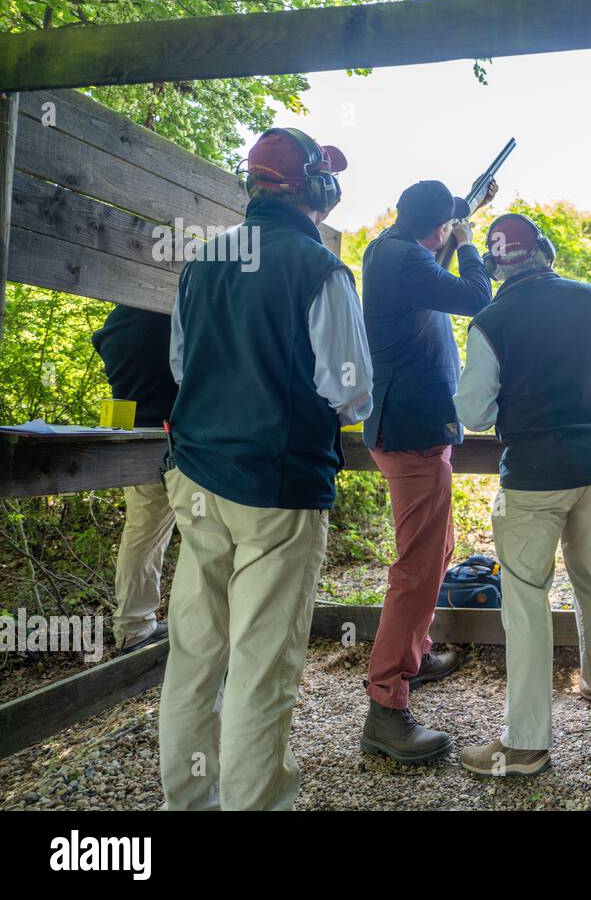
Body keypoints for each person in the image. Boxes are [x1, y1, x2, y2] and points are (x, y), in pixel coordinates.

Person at [159, 127, 372, 810]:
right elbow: (351, 391)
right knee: (260, 664)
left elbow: (183, 370)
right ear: (317, 189)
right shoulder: (320, 269)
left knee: (195, 654)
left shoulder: (202, 262)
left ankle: (186, 803)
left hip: (194, 479)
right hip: (276, 488)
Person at [453, 213, 591, 777]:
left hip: (533, 474)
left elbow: (474, 414)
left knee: (526, 597)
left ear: (494, 264)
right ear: (546, 253)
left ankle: (526, 744)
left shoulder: (491, 319)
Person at [358, 178, 496, 764]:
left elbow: (430, 268)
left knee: (435, 554)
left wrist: (462, 214)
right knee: (416, 570)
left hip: (416, 428)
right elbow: (476, 297)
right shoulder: (400, 256)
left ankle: (414, 657)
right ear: (438, 229)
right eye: (447, 227)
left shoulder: (397, 251)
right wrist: (466, 242)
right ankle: (386, 707)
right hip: (410, 431)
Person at [92, 305, 179, 653]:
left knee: (143, 533)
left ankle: (133, 627)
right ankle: (203, 624)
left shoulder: (114, 326)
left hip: (135, 439)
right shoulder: (171, 316)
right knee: (211, 536)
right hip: (181, 436)